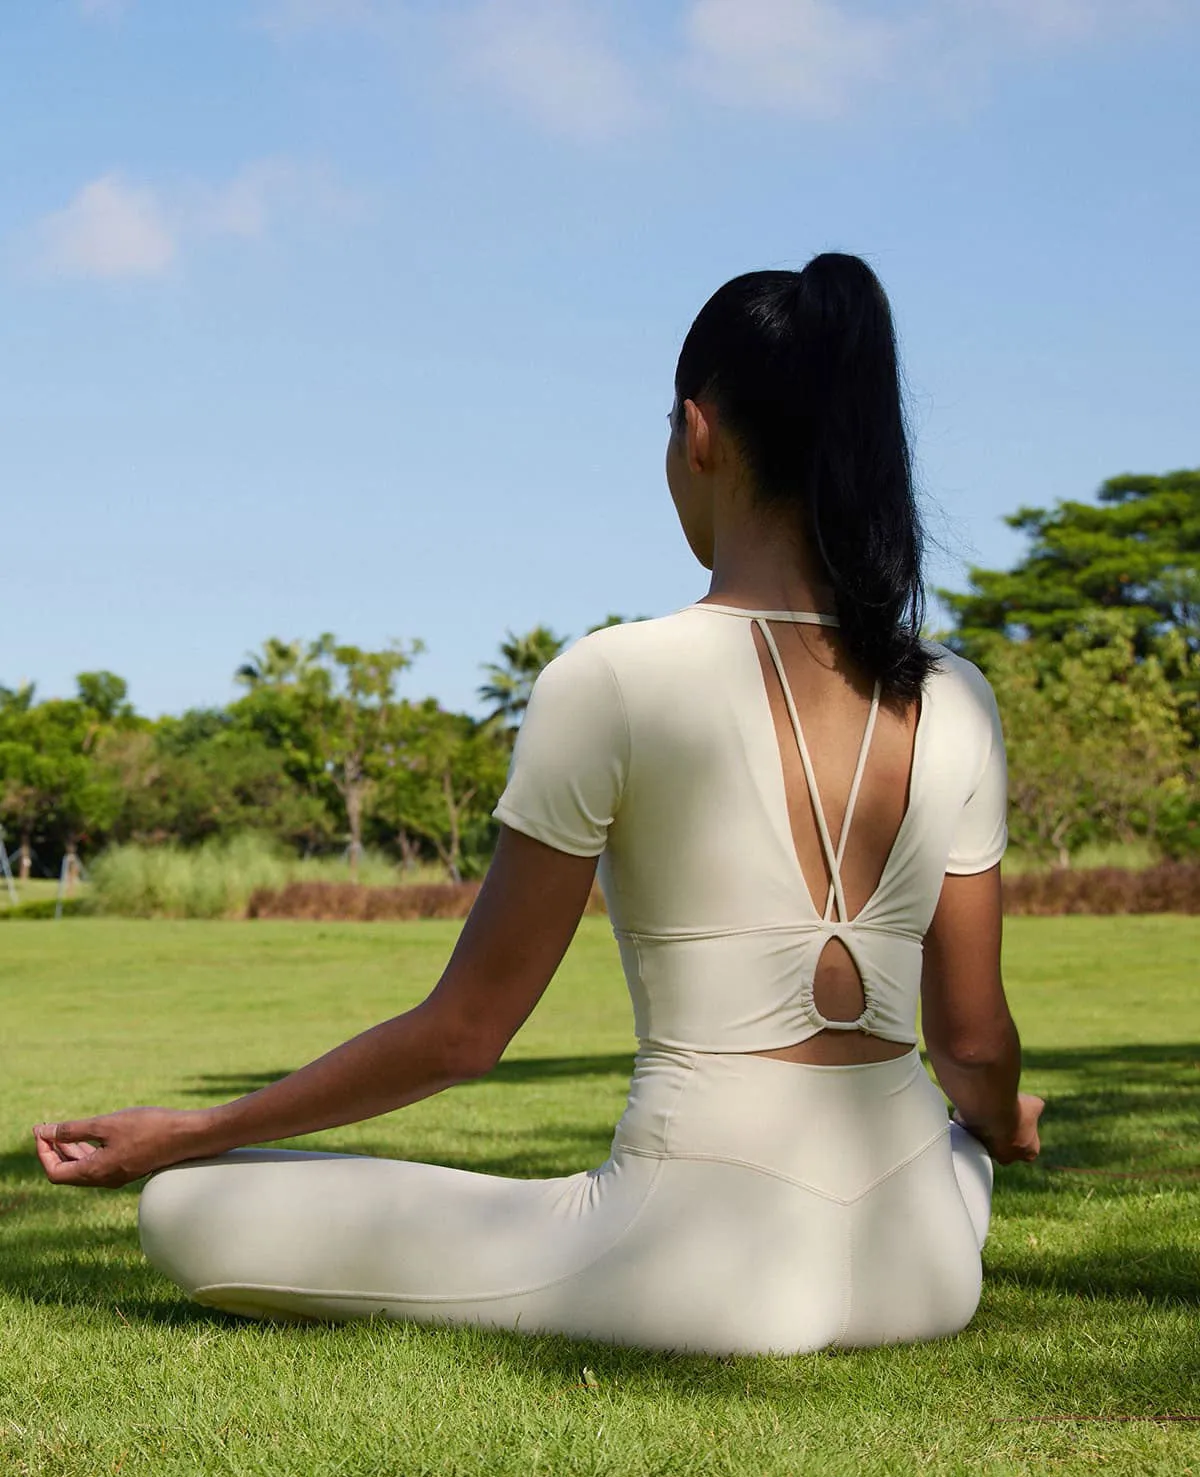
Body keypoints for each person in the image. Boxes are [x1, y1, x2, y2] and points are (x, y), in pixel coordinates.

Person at [34, 253, 1043, 1355]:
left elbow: (465, 1033)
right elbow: (976, 1043)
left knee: (186, 1206)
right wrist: (992, 1128)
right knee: (961, 1147)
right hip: (926, 1265)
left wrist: (195, 1130)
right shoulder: (955, 694)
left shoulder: (615, 676)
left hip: (698, 1266)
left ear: (699, 432)